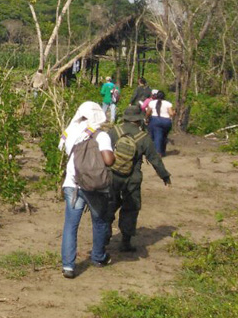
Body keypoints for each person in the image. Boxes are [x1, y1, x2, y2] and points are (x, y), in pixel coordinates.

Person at [60, 101, 115, 279]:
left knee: (70, 225)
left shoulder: (70, 132)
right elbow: (108, 160)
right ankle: (98, 257)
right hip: (94, 186)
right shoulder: (101, 135)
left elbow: (65, 152)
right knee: (99, 221)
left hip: (72, 184)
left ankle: (68, 266)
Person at [107, 105, 171, 252]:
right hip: (132, 179)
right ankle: (125, 242)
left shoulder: (113, 132)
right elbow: (155, 159)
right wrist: (165, 176)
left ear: (125, 118)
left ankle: (104, 237)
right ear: (139, 120)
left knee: (109, 204)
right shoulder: (144, 137)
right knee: (131, 208)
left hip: (112, 176)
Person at [146, 91, 175, 156]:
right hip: (166, 121)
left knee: (157, 136)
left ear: (156, 96)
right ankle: (163, 151)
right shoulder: (168, 103)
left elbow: (148, 112)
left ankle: (158, 152)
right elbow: (171, 114)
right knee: (164, 136)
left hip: (155, 120)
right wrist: (174, 113)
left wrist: (146, 118)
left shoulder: (152, 103)